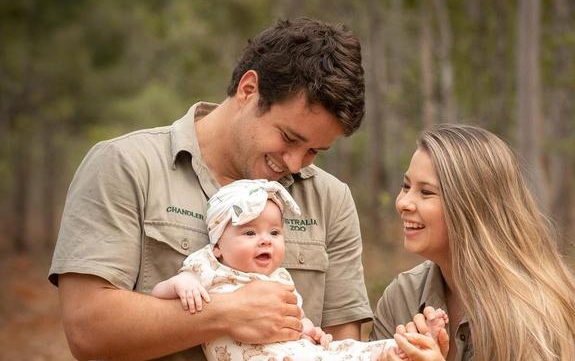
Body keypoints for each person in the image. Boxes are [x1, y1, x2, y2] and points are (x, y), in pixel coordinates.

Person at [49, 18, 373, 361]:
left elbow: (343, 346)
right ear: (249, 90)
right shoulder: (125, 166)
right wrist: (225, 313)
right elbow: (88, 330)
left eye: (313, 152)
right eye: (289, 138)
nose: (295, 163)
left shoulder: (331, 199)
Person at [371, 124, 575, 361]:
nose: (403, 202)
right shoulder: (401, 298)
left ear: (471, 206)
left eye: (426, 192)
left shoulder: (537, 316)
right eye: (406, 186)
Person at [152, 179, 419, 361]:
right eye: (249, 232)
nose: (265, 239)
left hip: (293, 352)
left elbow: (291, 320)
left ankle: (402, 347)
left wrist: (308, 329)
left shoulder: (280, 278)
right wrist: (182, 283)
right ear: (218, 244)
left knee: (346, 350)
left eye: (275, 232)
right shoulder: (207, 264)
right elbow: (159, 291)